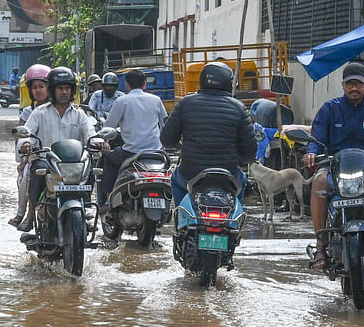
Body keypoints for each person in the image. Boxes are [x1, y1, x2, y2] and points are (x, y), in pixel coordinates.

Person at [304, 61, 364, 266]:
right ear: (343, 85)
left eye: (358, 84)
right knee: (318, 183)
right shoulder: (330, 109)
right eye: (350, 84)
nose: (354, 88)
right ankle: (320, 247)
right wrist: (311, 153)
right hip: (334, 166)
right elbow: (316, 139)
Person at [159, 61, 256, 219]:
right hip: (228, 174)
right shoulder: (238, 108)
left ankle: (180, 217)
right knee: (242, 181)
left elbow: (167, 139)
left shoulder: (186, 103)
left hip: (190, 172)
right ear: (229, 82)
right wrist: (242, 159)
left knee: (176, 181)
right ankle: (233, 220)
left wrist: (179, 145)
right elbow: (250, 149)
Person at [17, 66, 98, 239]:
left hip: (74, 163)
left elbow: (91, 134)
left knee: (91, 171)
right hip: (47, 161)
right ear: (53, 90)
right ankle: (31, 215)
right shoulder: (39, 113)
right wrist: (25, 145)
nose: (64, 92)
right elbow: (27, 133)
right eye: (60, 88)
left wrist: (100, 143)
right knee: (36, 172)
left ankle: (87, 208)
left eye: (67, 88)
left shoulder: (80, 114)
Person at [99, 69, 167, 205]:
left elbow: (108, 127)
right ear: (145, 84)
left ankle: (108, 198)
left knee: (108, 159)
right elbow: (164, 124)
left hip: (130, 153)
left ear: (127, 85)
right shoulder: (156, 100)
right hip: (156, 153)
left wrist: (104, 140)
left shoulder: (122, 101)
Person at [9, 64, 51, 226]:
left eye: (42, 86)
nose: (38, 91)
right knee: (26, 176)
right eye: (35, 88)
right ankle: (25, 213)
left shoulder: (62, 109)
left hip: (60, 157)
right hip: (35, 155)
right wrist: (23, 154)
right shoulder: (29, 112)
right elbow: (21, 137)